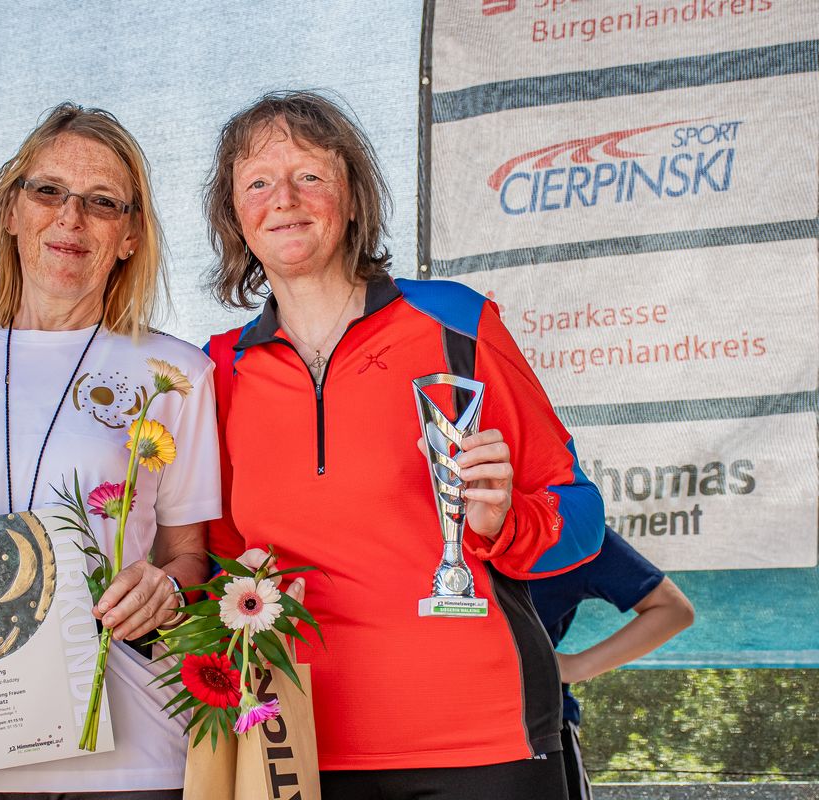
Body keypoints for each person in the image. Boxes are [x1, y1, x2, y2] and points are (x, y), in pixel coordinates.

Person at [202, 90, 606, 800]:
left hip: (484, 744)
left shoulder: (455, 323)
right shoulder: (220, 369)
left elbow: (582, 515)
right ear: (235, 217)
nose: (284, 199)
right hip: (300, 746)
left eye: (310, 175)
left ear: (353, 197)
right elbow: (219, 558)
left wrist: (504, 523)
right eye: (258, 182)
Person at [0, 103, 220, 799]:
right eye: (48, 191)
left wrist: (167, 589)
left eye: (102, 201)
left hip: (130, 755)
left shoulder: (178, 373)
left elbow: (189, 554)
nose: (71, 218)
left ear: (129, 236)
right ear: (11, 211)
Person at [530, 527, 694, 800]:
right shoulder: (450, 530)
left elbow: (674, 610)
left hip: (539, 730)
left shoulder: (569, 527)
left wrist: (574, 667)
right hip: (451, 735)